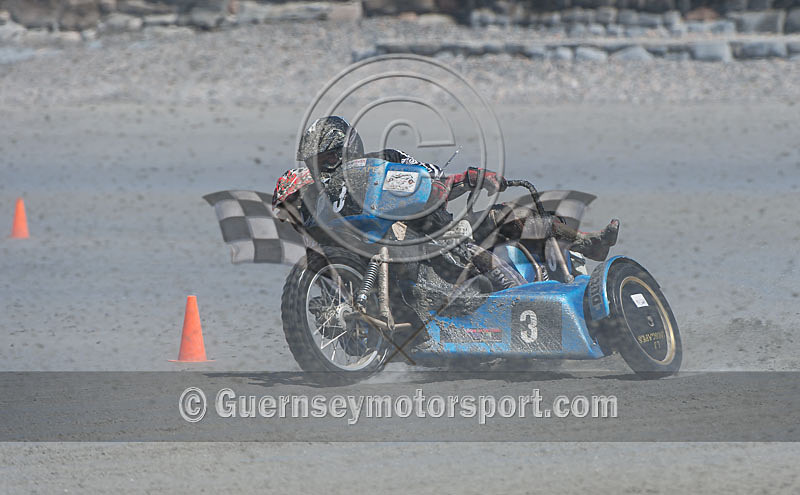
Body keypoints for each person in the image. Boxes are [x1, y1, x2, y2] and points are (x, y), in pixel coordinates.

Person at [272, 116, 619, 289]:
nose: (321, 169)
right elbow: (293, 224)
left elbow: (429, 180)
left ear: (347, 149)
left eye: (328, 158)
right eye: (314, 163)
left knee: (504, 215)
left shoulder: (386, 158)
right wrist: (291, 197)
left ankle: (580, 247)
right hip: (361, 262)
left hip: (415, 233)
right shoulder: (312, 192)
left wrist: (469, 178)